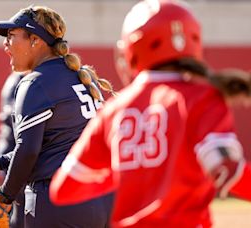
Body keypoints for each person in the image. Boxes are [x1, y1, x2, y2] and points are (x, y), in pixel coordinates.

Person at [50, 1, 251, 227]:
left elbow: (63, 189)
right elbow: (226, 169)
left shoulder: (114, 110)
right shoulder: (202, 97)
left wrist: (127, 173)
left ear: (131, 48)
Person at [0, 5, 115, 227]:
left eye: (12, 36)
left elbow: (29, 150)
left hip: (59, 201)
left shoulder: (36, 82)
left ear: (35, 40)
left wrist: (3, 199)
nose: (5, 44)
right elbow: (58, 145)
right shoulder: (83, 78)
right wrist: (1, 161)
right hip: (103, 199)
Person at [0, 71, 25, 228]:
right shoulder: (17, 80)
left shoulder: (31, 80)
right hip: (10, 150)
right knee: (21, 204)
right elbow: (7, 114)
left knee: (22, 206)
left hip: (20, 151)